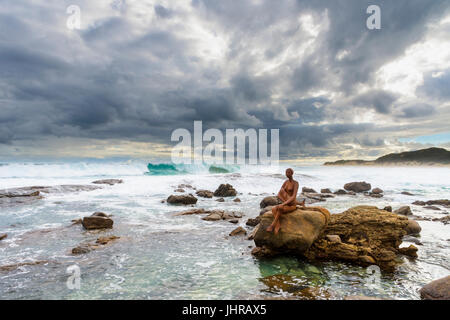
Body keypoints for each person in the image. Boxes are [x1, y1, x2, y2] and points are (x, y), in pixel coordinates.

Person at [266, 168, 305, 235]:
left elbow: (293, 196)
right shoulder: (286, 182)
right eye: (286, 172)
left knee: (280, 208)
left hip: (292, 205)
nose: (287, 174)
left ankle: (272, 225)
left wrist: (283, 204)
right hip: (287, 202)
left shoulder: (295, 183)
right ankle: (278, 225)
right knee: (273, 209)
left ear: (292, 173)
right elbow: (279, 194)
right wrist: (285, 202)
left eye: (289, 172)